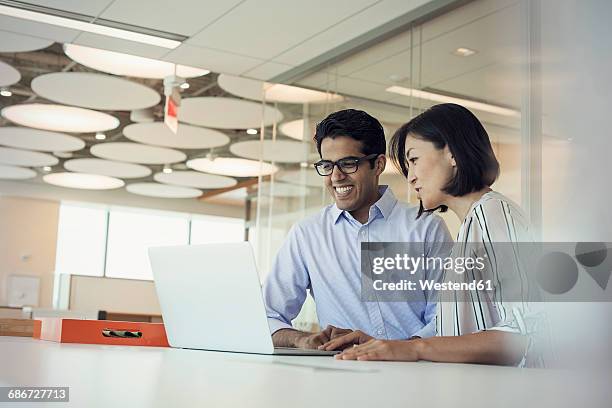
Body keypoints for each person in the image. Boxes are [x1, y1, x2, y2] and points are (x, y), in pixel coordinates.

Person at [322, 103, 541, 366]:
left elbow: (526, 333)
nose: (411, 178)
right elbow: (462, 333)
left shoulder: (493, 215)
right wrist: (387, 347)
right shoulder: (473, 224)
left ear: (451, 153)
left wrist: (416, 348)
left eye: (414, 160)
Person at [263, 109, 452, 349]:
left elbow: (447, 318)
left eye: (348, 164)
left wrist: (399, 349)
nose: (336, 176)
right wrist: (301, 339)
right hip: (341, 376)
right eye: (327, 165)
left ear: (378, 164)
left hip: (415, 374)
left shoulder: (425, 227)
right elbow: (268, 316)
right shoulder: (307, 235)